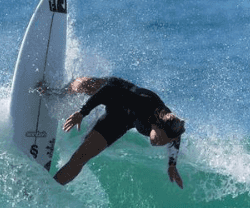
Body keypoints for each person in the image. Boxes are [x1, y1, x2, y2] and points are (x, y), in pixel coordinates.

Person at [50, 76, 185, 188]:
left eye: (163, 143)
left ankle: (52, 187)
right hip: (118, 91)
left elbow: (175, 139)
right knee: (82, 85)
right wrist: (82, 112)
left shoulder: (171, 129)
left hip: (120, 121)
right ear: (158, 125)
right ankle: (57, 93)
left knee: (81, 157)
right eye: (161, 139)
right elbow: (108, 90)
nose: (158, 143)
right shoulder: (144, 103)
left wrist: (172, 165)